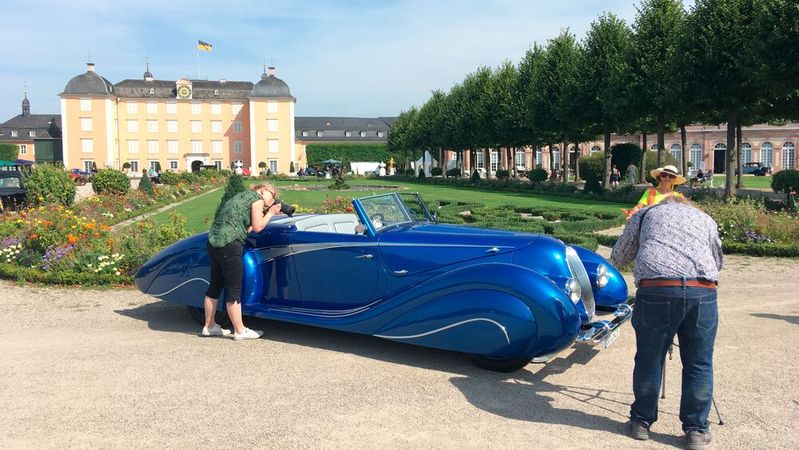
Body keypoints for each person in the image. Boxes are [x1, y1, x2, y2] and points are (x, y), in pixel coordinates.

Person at [611, 195, 723, 449]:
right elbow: (717, 260)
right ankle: (696, 430)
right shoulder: (705, 218)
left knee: (649, 358)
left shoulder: (646, 214)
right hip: (701, 289)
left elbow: (619, 256)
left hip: (657, 288)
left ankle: (641, 422)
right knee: (699, 362)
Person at [201, 182, 282, 340]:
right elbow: (258, 228)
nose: (272, 200)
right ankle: (239, 330)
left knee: (215, 286)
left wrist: (266, 212)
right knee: (234, 289)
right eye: (272, 196)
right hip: (230, 244)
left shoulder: (240, 196)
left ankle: (209, 326)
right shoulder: (256, 198)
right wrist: (271, 213)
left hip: (214, 242)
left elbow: (246, 226)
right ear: (264, 189)